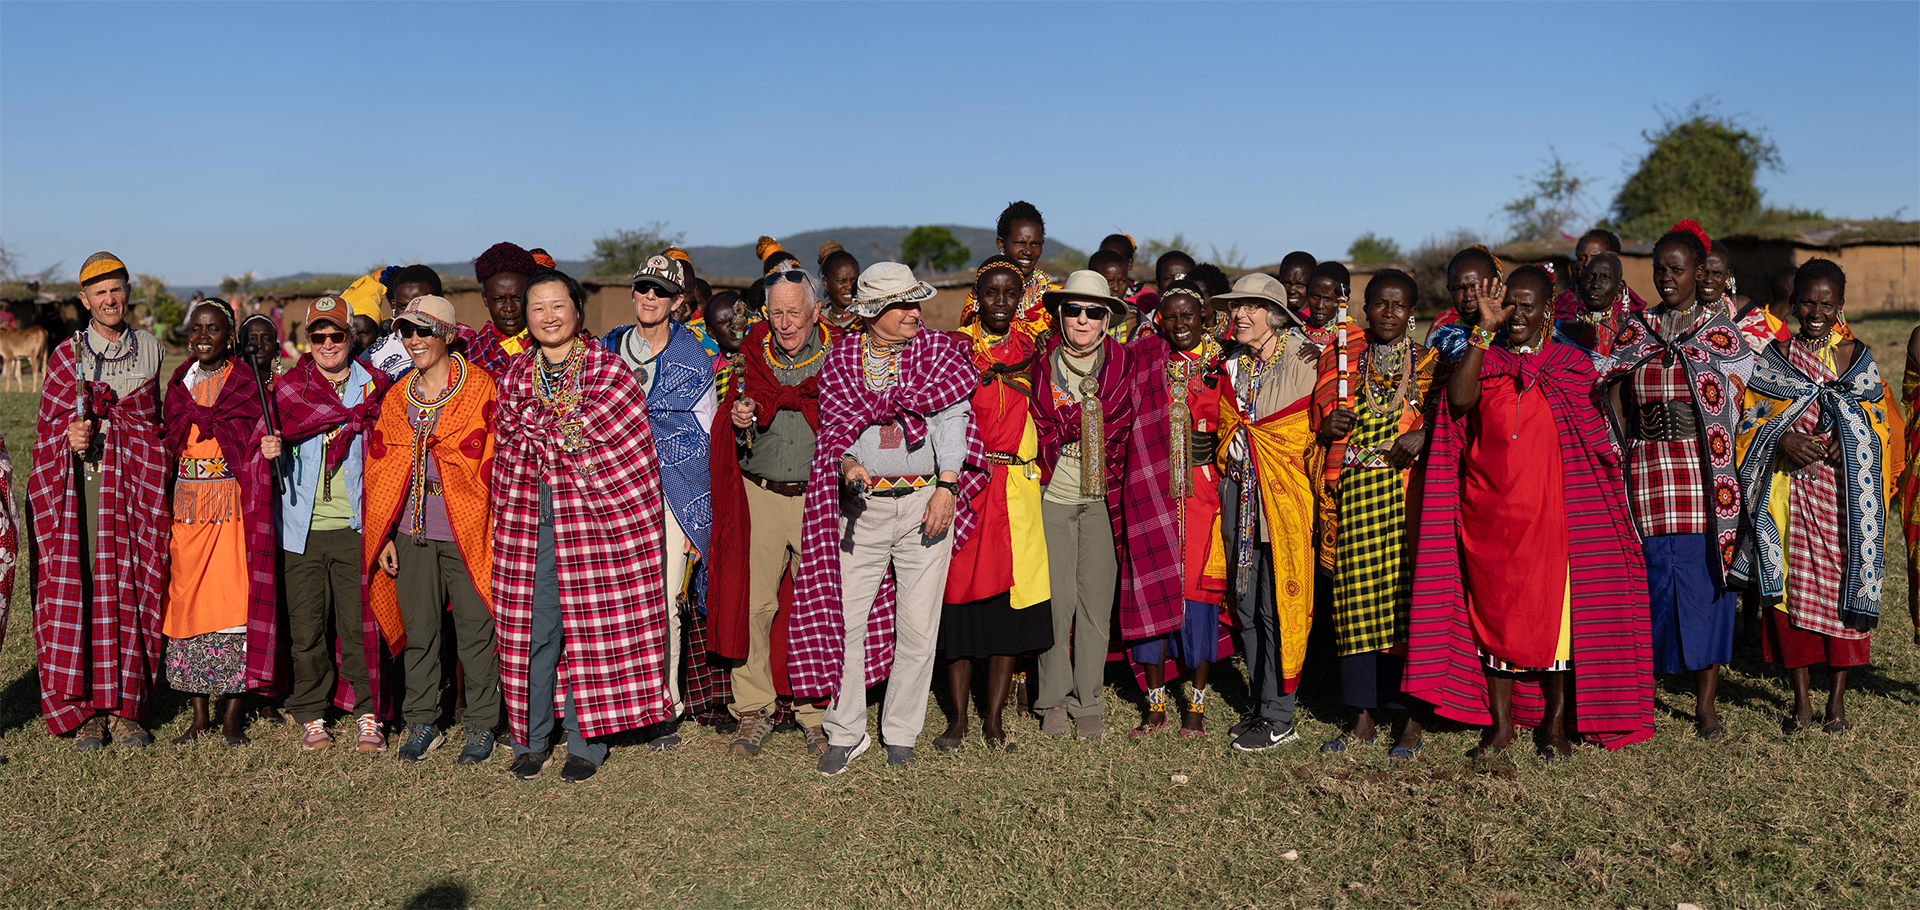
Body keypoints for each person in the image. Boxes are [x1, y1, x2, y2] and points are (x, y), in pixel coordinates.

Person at [1407, 265, 1655, 757]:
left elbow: (1595, 443)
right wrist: (1483, 331)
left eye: (1528, 305)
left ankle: (1554, 726)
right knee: (1494, 617)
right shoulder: (1486, 356)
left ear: (1548, 308)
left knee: (1556, 621)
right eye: (1509, 304)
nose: (1517, 314)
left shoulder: (1571, 365)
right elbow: (1459, 401)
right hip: (1490, 512)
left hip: (1552, 516)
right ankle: (1501, 727)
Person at [786, 262, 983, 776]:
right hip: (862, 510)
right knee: (846, 622)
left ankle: (900, 731)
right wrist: (848, 462)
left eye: (916, 302)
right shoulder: (842, 360)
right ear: (872, 313)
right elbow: (835, 430)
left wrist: (947, 485)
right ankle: (846, 732)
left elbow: (953, 419)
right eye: (902, 305)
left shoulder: (939, 353)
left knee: (918, 627)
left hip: (925, 502)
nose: (914, 313)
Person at [493, 269, 678, 782]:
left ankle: (586, 741)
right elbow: (509, 450)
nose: (549, 317)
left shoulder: (608, 372)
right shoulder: (513, 376)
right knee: (535, 630)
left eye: (558, 306)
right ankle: (530, 740)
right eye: (538, 308)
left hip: (598, 519)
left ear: (577, 310)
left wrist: (548, 436)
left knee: (590, 634)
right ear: (526, 318)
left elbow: (625, 451)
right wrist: (556, 441)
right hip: (531, 520)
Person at [1599, 220, 1755, 740]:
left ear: (1697, 273)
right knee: (1649, 581)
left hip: (1699, 471)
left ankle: (1705, 705)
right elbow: (1610, 386)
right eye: (1660, 269)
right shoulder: (1636, 330)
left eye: (1677, 269)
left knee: (1703, 581)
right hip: (1643, 468)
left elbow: (1740, 394)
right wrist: (1621, 441)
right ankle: (1646, 684)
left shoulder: (1721, 334)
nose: (1667, 278)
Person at [1733, 259, 1895, 734]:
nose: (1816, 311)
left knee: (1843, 593)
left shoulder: (1857, 358)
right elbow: (1749, 421)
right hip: (1788, 496)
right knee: (1792, 597)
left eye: (1827, 303)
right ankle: (1801, 700)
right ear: (1794, 301)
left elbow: (1879, 428)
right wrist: (1781, 440)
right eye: (1808, 301)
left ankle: (1837, 701)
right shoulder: (1775, 357)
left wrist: (1847, 441)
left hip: (1845, 501)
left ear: (1840, 304)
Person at [1027, 270, 1180, 741]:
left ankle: (1087, 699)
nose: (1083, 320)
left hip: (1106, 496)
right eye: (1073, 310)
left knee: (1095, 603)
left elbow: (1184, 348)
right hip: (1052, 492)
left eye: (1094, 312)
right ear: (1059, 315)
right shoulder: (1038, 366)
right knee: (1057, 602)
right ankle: (1052, 698)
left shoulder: (1128, 364)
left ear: (1107, 319)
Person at [29, 251, 171, 750]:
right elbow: (46, 430)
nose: (110, 300)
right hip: (83, 491)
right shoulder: (67, 356)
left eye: (117, 289)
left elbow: (155, 428)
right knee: (86, 586)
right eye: (99, 293)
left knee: (131, 586)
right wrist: (66, 438)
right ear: (84, 300)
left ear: (127, 292)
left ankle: (125, 706)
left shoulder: (150, 351)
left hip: (135, 492)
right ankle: (85, 708)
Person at [363, 294, 503, 764]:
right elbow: (381, 466)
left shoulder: (480, 388)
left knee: (475, 629)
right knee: (420, 630)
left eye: (423, 330)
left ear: (447, 333)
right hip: (409, 531)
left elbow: (490, 462)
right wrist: (382, 534)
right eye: (405, 331)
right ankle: (421, 720)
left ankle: (482, 723)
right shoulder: (399, 395)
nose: (413, 340)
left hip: (467, 527)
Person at [707, 265, 839, 757]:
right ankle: (754, 710)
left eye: (794, 312)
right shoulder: (750, 352)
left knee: (816, 608)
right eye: (777, 312)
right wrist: (739, 415)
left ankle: (815, 712)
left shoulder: (839, 355)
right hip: (758, 493)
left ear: (815, 311)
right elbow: (735, 413)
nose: (785, 323)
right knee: (755, 604)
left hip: (818, 497)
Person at [1310, 268, 1437, 757]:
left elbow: (1453, 417)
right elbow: (1315, 424)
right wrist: (1327, 426)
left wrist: (1424, 435)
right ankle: (1361, 716)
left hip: (1407, 500)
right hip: (1356, 496)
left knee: (1405, 605)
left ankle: (1410, 719)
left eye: (1399, 305)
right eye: (1379, 304)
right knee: (1354, 604)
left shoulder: (1430, 363)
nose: (1389, 313)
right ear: (1364, 309)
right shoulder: (1341, 360)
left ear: (1412, 312)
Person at [935, 256, 1054, 751]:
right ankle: (958, 720)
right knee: (959, 603)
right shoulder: (955, 351)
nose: (1001, 302)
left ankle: (994, 722)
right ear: (976, 297)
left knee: (1008, 608)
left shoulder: (1034, 351)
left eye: (1010, 293)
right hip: (968, 490)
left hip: (1017, 492)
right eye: (991, 293)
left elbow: (1049, 417)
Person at [604, 253, 717, 751]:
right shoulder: (606, 351)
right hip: (612, 491)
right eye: (641, 289)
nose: (648, 298)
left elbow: (705, 434)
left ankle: (663, 707)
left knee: (665, 601)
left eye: (659, 292)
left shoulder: (695, 359)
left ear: (676, 302)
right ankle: (614, 704)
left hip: (674, 492)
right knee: (614, 600)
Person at [274, 295, 394, 753]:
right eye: (318, 335)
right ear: (308, 340)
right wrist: (267, 452)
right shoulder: (289, 390)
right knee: (307, 628)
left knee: (359, 624)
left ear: (351, 337)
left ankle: (367, 713)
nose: (327, 343)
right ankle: (312, 714)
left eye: (336, 334)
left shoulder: (376, 388)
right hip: (300, 528)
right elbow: (257, 450)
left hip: (356, 528)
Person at [160, 297, 280, 746]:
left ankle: (232, 716)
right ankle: (198, 716)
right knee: (187, 599)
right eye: (196, 329)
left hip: (231, 507)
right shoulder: (178, 382)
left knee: (233, 604)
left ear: (230, 337)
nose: (202, 337)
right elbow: (169, 440)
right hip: (187, 509)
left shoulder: (246, 382)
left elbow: (254, 440)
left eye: (212, 329)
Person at [1214, 272, 1320, 751]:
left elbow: (1301, 432)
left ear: (1274, 315)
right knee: (1246, 603)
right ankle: (1261, 705)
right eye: (1235, 307)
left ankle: (1281, 713)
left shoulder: (1304, 360)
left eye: (1250, 307)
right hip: (1239, 493)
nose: (1238, 315)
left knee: (1278, 603)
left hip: (1282, 497)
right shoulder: (1231, 365)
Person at [1126, 280, 1229, 740]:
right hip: (1154, 495)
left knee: (1200, 596)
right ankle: (1154, 705)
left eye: (1190, 315)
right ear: (1160, 319)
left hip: (1204, 497)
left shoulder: (1224, 367)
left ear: (1204, 317)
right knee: (1152, 592)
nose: (1181, 324)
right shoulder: (1146, 362)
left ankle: (1196, 705)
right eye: (1172, 316)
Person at [962, 201, 1053, 333]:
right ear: (1001, 244)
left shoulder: (1054, 298)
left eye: (1035, 244)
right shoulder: (979, 298)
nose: (1028, 251)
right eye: (1019, 243)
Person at [461, 242, 536, 377]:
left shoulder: (545, 342)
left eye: (517, 298)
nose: (509, 308)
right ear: (485, 299)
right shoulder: (472, 352)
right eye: (499, 299)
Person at [1552, 228, 1648, 319]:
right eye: (1581, 258)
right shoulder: (1561, 306)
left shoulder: (1632, 313)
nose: (1586, 264)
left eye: (1595, 258)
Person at [1554, 251, 1633, 362]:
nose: (1595, 285)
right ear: (1580, 284)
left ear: (1619, 288)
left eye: (1605, 277)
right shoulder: (1559, 332)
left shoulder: (1631, 332)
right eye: (1590, 276)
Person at [1297, 260, 1347, 360]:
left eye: (1327, 299)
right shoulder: (1293, 334)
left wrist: (1323, 356)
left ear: (1343, 299)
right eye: (1315, 296)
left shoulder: (1352, 337)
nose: (1320, 306)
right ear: (1307, 292)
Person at [818, 241, 864, 332]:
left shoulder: (868, 320)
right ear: (825, 283)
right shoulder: (816, 322)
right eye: (841, 281)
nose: (849, 287)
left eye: (854, 280)